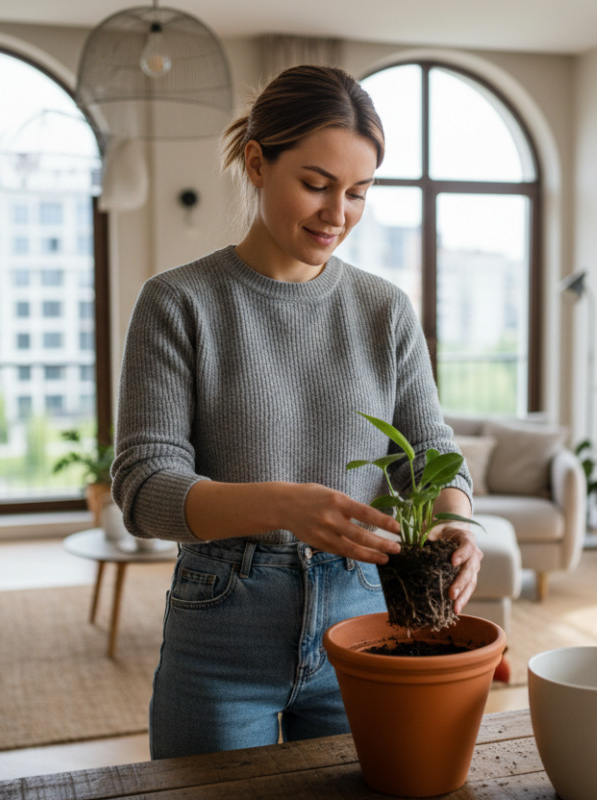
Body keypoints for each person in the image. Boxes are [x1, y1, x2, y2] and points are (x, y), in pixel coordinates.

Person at [110, 64, 483, 760]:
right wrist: (286, 506)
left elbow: (430, 450)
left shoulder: (385, 310)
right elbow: (143, 491)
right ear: (257, 162)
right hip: (222, 625)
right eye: (315, 184)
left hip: (367, 613)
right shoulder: (178, 303)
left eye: (358, 193)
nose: (336, 214)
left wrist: (457, 522)